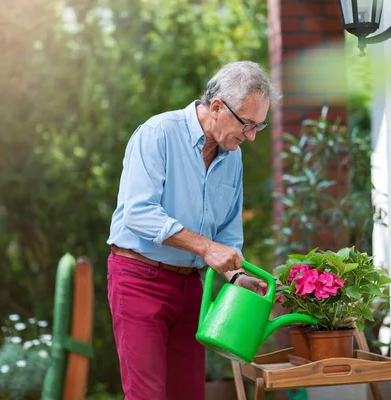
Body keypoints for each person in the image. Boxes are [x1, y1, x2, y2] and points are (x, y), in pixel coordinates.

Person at [106, 61, 278, 400]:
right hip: (139, 278)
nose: (251, 136)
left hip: (191, 287)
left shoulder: (233, 157)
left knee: (188, 394)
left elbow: (228, 231)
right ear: (216, 107)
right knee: (147, 395)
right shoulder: (158, 133)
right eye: (247, 124)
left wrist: (235, 276)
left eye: (259, 126)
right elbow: (137, 213)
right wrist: (205, 248)